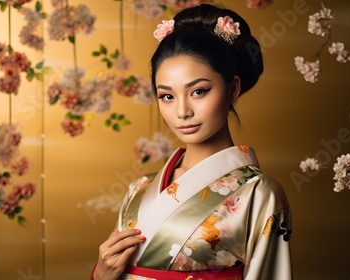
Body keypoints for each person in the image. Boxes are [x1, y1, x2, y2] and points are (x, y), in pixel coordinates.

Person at [91, 3, 292, 280]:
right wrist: (102, 274)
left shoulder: (260, 193)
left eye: (198, 91)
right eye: (167, 96)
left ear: (232, 89)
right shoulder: (139, 188)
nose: (182, 112)